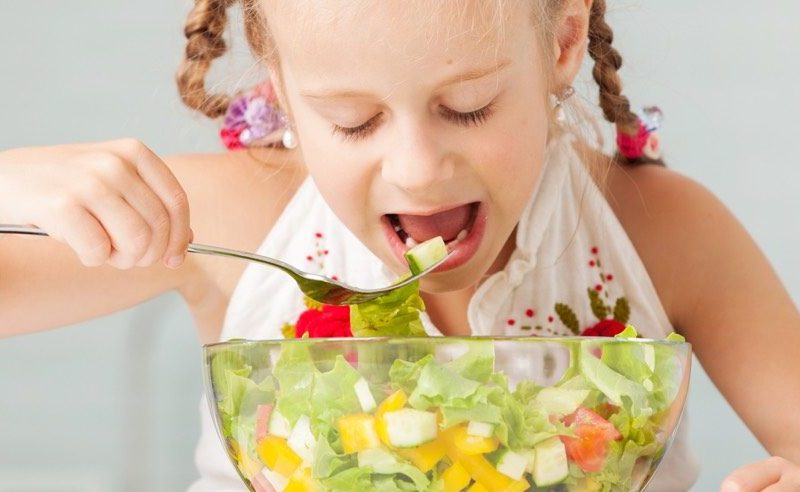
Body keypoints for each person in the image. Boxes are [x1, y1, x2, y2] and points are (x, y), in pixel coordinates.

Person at [1, 1, 798, 490]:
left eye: (470, 106)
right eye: (353, 120)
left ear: (560, 44)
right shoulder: (221, 218)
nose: (417, 172)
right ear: (281, 90)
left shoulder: (663, 233)